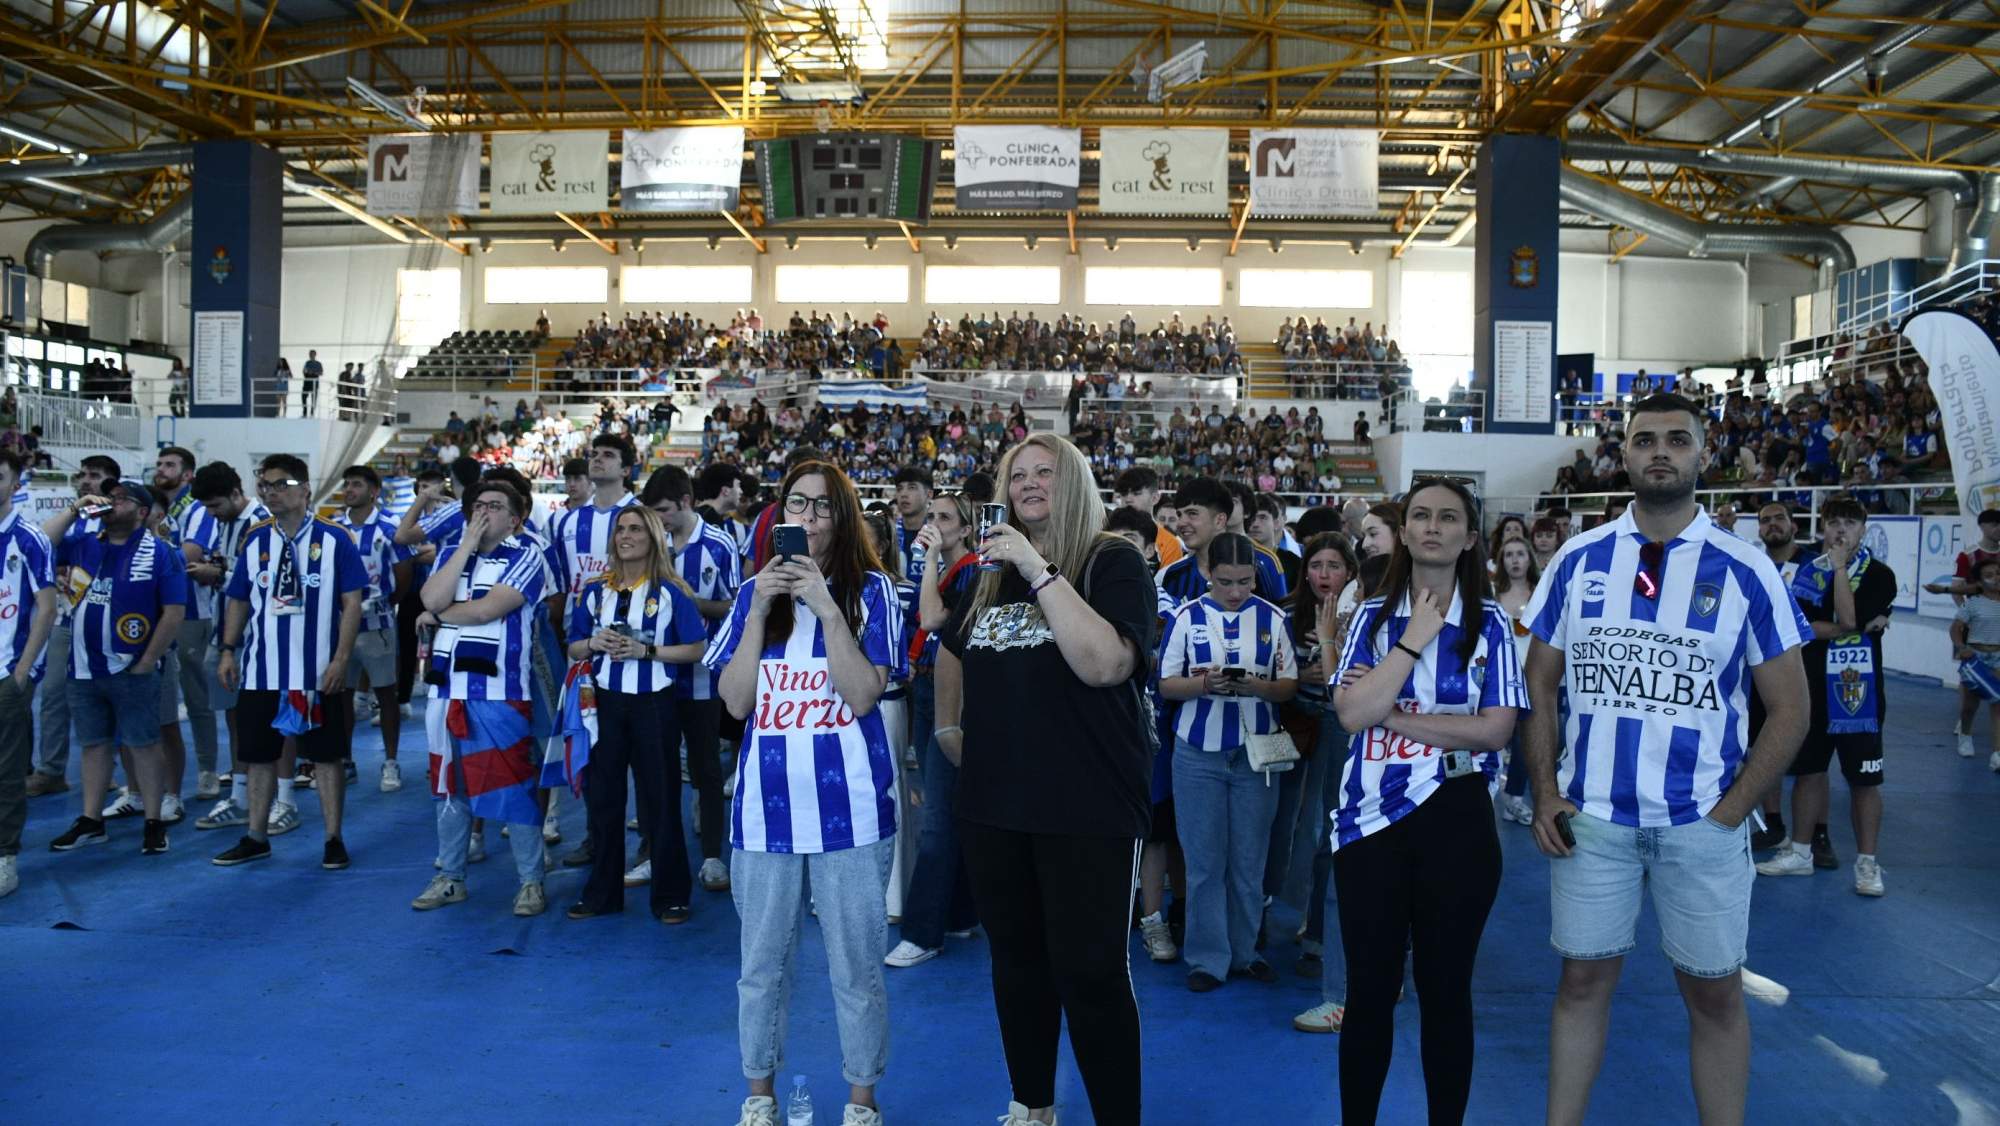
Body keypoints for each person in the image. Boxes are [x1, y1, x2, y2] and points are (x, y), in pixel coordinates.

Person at [1523, 393, 1811, 1126]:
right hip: (1593, 824)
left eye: (1677, 440)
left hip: (1702, 827)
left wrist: (1731, 813)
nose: (1661, 451)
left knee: (1716, 996)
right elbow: (1540, 683)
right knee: (1581, 986)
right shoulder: (1578, 559)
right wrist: (1546, 789)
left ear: (1702, 453)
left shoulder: (1747, 570)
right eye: (1645, 439)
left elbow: (1793, 708)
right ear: (1622, 454)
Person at [931, 433, 1153, 1126]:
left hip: (1087, 808)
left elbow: (1105, 665)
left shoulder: (1111, 561)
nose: (1028, 483)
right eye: (1016, 474)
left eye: (1044, 473)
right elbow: (952, 646)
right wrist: (948, 730)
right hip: (996, 806)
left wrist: (1036, 565)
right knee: (1017, 969)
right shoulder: (986, 574)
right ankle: (1033, 1107)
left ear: (1076, 482)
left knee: (1090, 974)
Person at [706, 460, 903, 1126]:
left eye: (823, 508)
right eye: (798, 505)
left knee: (857, 969)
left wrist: (824, 605)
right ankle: (759, 1096)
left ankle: (861, 1100)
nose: (810, 519)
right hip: (765, 816)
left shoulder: (872, 592)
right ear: (781, 515)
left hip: (850, 815)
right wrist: (762, 607)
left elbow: (864, 693)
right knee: (760, 966)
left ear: (843, 518)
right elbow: (734, 703)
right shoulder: (750, 596)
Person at [1329, 477, 1524, 1125]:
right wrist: (1414, 637)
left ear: (1471, 537)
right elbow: (1352, 714)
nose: (1432, 526)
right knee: (1370, 993)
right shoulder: (1371, 618)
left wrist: (1396, 715)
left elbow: (1495, 728)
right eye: (1419, 516)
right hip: (1368, 826)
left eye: (1448, 517)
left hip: (1457, 820)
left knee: (1445, 994)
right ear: (1405, 530)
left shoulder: (1492, 624)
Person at [209, 456, 366, 870]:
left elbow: (352, 604)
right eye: (265, 485)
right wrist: (229, 649)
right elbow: (239, 598)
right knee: (258, 754)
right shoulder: (256, 539)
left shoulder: (336, 539)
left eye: (281, 484)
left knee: (326, 757)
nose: (272, 492)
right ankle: (256, 836)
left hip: (316, 671)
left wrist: (341, 658)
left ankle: (333, 838)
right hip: (262, 669)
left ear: (305, 489)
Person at [1158, 532, 1299, 993]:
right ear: (1207, 575)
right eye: (1225, 582)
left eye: (1244, 581)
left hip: (1257, 754)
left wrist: (1257, 686)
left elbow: (1289, 686)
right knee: (1203, 861)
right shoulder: (1185, 617)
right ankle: (1207, 958)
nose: (1236, 591)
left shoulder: (1274, 618)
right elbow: (1166, 684)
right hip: (1197, 751)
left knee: (1249, 861)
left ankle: (1245, 952)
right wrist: (1205, 685)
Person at [410, 478, 553, 916]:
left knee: (513, 787)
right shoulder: (455, 554)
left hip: (499, 691)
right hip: (445, 691)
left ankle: (531, 881)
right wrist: (465, 546)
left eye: (494, 506)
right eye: (477, 505)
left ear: (514, 519)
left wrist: (437, 615)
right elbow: (429, 593)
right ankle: (451, 877)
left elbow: (488, 609)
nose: (483, 512)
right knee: (448, 789)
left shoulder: (528, 555)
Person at [564, 506, 708, 921]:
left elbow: (697, 649)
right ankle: (601, 894)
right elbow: (572, 647)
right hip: (604, 703)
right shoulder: (595, 591)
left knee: (660, 799)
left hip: (654, 704)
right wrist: (593, 644)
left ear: (653, 538)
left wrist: (647, 651)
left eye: (635, 529)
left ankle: (671, 895)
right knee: (604, 800)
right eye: (620, 529)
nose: (625, 536)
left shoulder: (671, 592)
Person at [1755, 496, 1896, 895]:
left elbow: (1848, 621)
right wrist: (1833, 622)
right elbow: (1796, 623)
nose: (1841, 530)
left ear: (1863, 530)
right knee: (1808, 773)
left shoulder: (1879, 575)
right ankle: (1800, 852)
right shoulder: (1805, 572)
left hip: (1858, 695)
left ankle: (1867, 864)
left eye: (1851, 523)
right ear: (1822, 527)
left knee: (1864, 781)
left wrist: (1837, 572)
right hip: (1812, 687)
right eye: (1834, 522)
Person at [45, 479, 190, 857]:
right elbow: (43, 542)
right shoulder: (84, 544)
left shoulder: (161, 553)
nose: (112, 503)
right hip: (83, 667)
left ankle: (153, 821)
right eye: (110, 498)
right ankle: (91, 821)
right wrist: (76, 509)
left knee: (143, 743)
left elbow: (174, 613)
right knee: (94, 745)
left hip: (132, 668)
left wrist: (146, 661)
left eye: (122, 499)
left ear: (142, 512)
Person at [885, 490, 983, 969]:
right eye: (933, 515)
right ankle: (961, 911)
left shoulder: (969, 572)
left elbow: (931, 618)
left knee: (939, 817)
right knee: (951, 808)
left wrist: (924, 562)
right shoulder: (953, 569)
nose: (935, 523)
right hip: (928, 690)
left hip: (949, 696)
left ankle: (923, 931)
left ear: (966, 529)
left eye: (946, 518)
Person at [639, 465, 741, 893]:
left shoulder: (718, 544)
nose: (657, 519)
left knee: (705, 767)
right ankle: (651, 851)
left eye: (663, 509)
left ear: (685, 501)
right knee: (653, 767)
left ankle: (714, 856)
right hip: (654, 673)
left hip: (702, 675)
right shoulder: (649, 541)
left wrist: (688, 602)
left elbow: (737, 606)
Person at [1288, 531, 1359, 1034]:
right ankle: (1310, 926)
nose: (1324, 574)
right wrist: (1300, 675)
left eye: (1334, 564)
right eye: (1317, 564)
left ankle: (1323, 940)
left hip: (1336, 725)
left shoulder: (1360, 617)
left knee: (1333, 834)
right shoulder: (1287, 611)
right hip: (1289, 723)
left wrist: (1327, 664)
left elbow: (1347, 685)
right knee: (1294, 834)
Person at [28, 454, 121, 799]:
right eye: (81, 475)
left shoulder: (123, 518)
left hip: (109, 625)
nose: (84, 480)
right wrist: (73, 510)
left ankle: (107, 771)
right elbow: (43, 542)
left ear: (112, 483)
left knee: (108, 699)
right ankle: (51, 771)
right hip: (68, 621)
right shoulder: (79, 521)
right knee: (53, 696)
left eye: (94, 476)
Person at [187, 463, 270, 832]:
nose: (211, 513)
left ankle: (268, 796)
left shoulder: (262, 522)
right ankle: (239, 791)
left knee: (259, 720)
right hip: (228, 634)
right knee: (234, 717)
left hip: (256, 636)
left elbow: (260, 579)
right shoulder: (226, 522)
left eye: (216, 505)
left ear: (237, 494)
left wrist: (216, 574)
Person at [333, 465, 414, 792]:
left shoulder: (389, 526)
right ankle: (345, 758)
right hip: (339, 626)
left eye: (356, 485)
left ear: (374, 491)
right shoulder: (334, 527)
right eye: (347, 484)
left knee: (386, 694)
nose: (349, 490)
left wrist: (390, 600)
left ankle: (391, 761)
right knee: (341, 694)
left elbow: (404, 570)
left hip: (377, 622)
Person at [0, 449, 56, 896]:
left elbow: (46, 607)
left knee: (6, 769)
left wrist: (22, 670)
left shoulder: (28, 538)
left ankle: (4, 856)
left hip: (6, 672)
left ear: (16, 481)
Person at [1161, 477, 1281, 606]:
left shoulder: (1259, 568)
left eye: (1192, 513)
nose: (1181, 523)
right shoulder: (1175, 575)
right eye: (1179, 515)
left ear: (1219, 520)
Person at [1491, 536, 1541, 827]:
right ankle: (1488, 793)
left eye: (1520, 553)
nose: (1515, 559)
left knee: (1525, 744)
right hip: (1498, 679)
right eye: (1508, 554)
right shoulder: (1492, 595)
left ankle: (1514, 798)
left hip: (1532, 678)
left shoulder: (1541, 593)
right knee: (1494, 743)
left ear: (1529, 558)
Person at [1951, 557, 2000, 773]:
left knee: (1998, 704)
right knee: (1969, 707)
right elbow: (1956, 628)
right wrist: (1962, 647)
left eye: (1998, 574)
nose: (1996, 578)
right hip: (1976, 659)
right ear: (1980, 581)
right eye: (1989, 575)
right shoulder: (1972, 603)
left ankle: (1997, 754)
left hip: (1998, 657)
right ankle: (1965, 734)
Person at [301, 350, 323, 416]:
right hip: (307, 382)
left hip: (315, 383)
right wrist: (308, 372)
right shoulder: (307, 363)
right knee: (304, 396)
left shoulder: (318, 363)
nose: (311, 355)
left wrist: (313, 372)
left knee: (314, 398)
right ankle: (305, 411)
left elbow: (321, 372)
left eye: (313, 354)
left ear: (315, 355)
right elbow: (304, 371)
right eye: (310, 354)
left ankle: (312, 412)